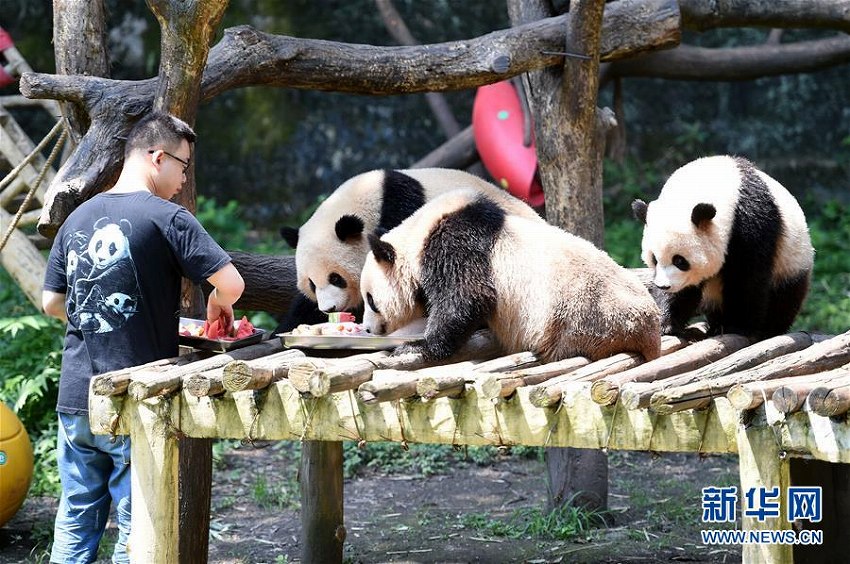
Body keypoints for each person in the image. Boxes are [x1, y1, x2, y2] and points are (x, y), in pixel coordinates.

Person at [41, 111, 244, 563]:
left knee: (75, 518)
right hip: (136, 398)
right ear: (157, 157)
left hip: (77, 398)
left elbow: (51, 302)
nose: (184, 178)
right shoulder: (169, 217)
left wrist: (95, 316)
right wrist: (217, 302)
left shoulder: (78, 217)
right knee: (138, 527)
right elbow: (232, 284)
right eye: (183, 165)